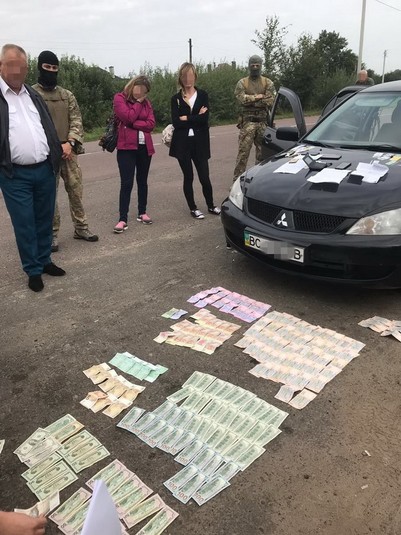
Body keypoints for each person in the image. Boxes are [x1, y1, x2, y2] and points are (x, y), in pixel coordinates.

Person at [0, 44, 65, 292]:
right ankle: (33, 269)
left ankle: (45, 260)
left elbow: (46, 126)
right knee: (25, 223)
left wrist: (54, 156)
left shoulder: (32, 95)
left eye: (22, 67)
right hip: (14, 174)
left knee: (44, 218)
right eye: (12, 66)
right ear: (1, 66)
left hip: (44, 169)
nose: (18, 72)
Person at [33, 50, 98, 252]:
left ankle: (81, 228)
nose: (51, 71)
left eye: (55, 68)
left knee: (76, 191)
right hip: (46, 154)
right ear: (40, 67)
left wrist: (70, 142)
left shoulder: (66, 95)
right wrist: (53, 146)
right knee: (49, 196)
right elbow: (33, 126)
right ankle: (51, 234)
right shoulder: (32, 95)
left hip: (69, 150)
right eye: (47, 67)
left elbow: (76, 120)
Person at [169, 62, 220, 219]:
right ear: (180, 78)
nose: (188, 79)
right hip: (182, 144)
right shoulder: (176, 99)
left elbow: (204, 120)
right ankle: (193, 208)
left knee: (204, 176)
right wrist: (196, 117)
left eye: (190, 76)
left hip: (200, 143)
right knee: (188, 177)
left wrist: (187, 118)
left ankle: (211, 205)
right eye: (184, 76)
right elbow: (176, 122)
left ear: (195, 77)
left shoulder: (203, 95)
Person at [113, 75, 155, 232]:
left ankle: (142, 212)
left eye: (144, 91)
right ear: (132, 86)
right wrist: (137, 104)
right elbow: (127, 117)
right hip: (126, 148)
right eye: (139, 89)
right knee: (126, 183)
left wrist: (134, 124)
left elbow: (151, 124)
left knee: (142, 181)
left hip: (145, 147)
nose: (141, 94)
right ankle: (122, 218)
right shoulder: (120, 98)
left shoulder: (147, 103)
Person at [233, 55, 276, 181]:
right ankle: (237, 181)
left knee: (263, 154)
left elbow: (270, 100)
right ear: (249, 65)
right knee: (243, 154)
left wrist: (251, 100)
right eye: (253, 65)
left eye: (257, 65)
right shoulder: (242, 83)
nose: (255, 67)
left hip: (263, 123)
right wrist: (258, 97)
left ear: (261, 65)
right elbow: (241, 99)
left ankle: (259, 180)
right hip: (248, 123)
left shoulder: (267, 82)